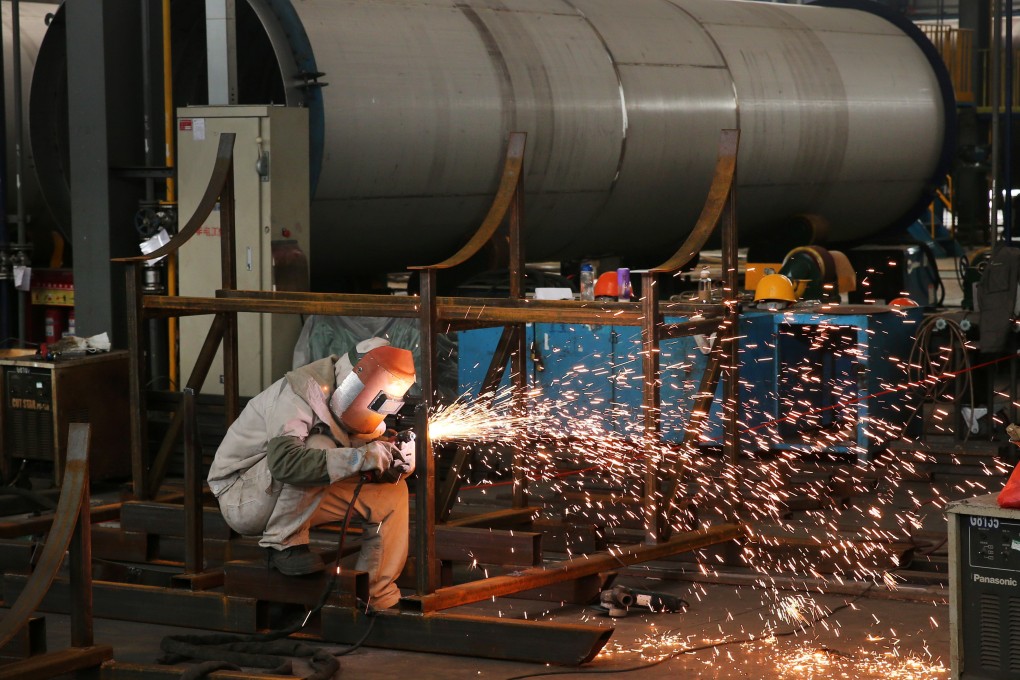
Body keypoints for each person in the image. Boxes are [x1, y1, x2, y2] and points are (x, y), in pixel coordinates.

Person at [207, 337, 417, 610]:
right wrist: (364, 456)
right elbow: (286, 463)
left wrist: (389, 463)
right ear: (353, 381)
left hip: (289, 500)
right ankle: (284, 543)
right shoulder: (299, 392)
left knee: (391, 494)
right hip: (242, 498)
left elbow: (359, 455)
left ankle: (376, 597)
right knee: (318, 445)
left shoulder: (361, 404)